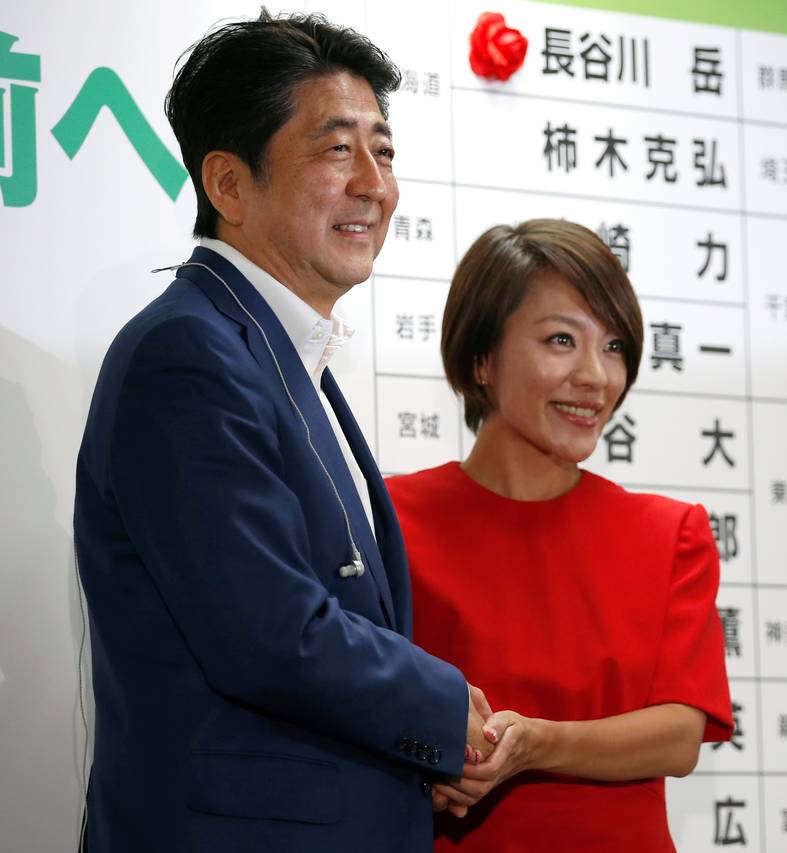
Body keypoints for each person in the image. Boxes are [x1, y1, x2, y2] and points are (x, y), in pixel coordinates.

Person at [73, 13, 491, 852]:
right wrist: (444, 710)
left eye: (385, 149)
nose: (375, 183)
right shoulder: (187, 353)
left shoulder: (280, 353)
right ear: (228, 185)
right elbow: (268, 633)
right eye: (337, 149)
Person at [386, 219, 734, 851]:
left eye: (613, 347)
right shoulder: (389, 519)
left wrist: (537, 744)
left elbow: (681, 736)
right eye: (561, 340)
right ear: (482, 360)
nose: (596, 377)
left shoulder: (669, 533)